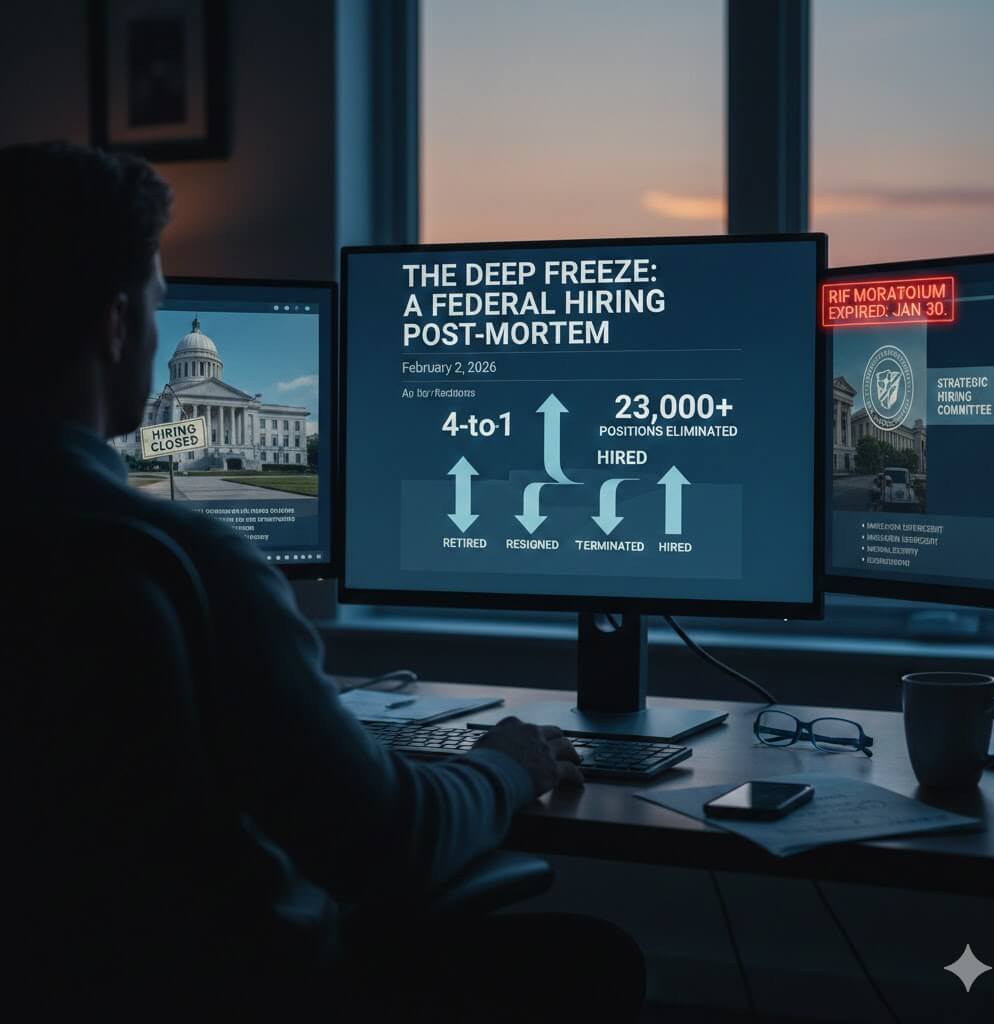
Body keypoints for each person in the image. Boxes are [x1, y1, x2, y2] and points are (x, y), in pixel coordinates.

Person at [3, 142, 645, 1019]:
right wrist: (503, 765)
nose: (163, 351)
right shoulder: (186, 561)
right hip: (234, 990)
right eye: (156, 310)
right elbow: (388, 841)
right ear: (118, 325)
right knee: (593, 961)